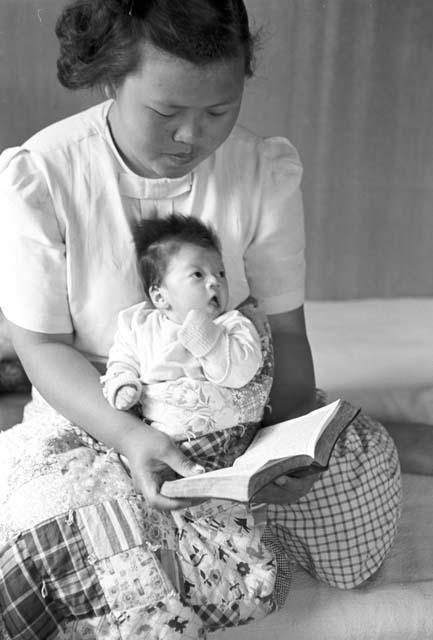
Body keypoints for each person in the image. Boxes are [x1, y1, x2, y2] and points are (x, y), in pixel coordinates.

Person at [0, 0, 401, 638]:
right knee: (79, 539)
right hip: (98, 409)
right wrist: (132, 439)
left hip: (233, 398)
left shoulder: (261, 169)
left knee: (357, 479)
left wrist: (278, 443)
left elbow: (286, 330)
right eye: (165, 113)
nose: (193, 137)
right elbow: (42, 347)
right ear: (111, 78)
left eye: (219, 111)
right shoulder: (45, 174)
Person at [102, 213, 268, 441]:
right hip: (156, 434)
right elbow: (122, 360)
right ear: (160, 296)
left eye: (221, 273)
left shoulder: (232, 325)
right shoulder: (140, 326)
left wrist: (210, 341)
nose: (215, 282)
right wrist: (122, 384)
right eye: (198, 274)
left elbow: (243, 372)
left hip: (223, 436)